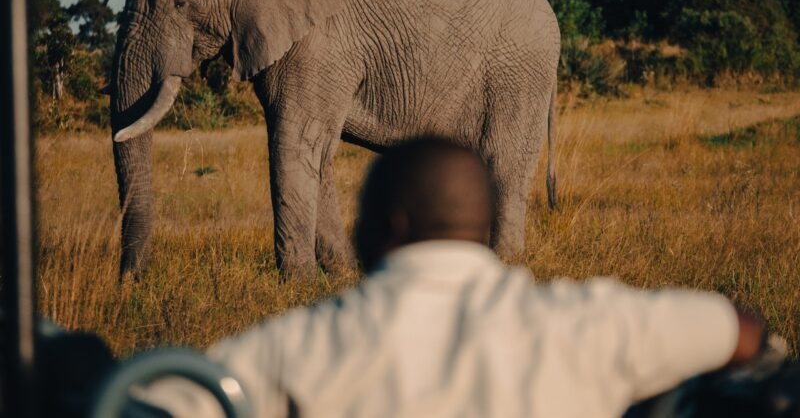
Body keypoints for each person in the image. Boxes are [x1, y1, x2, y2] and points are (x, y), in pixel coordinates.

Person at [142, 137, 773, 418]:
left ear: (383, 228)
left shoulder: (287, 350)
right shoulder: (592, 323)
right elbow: (739, 330)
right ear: (488, 223)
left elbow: (157, 406)